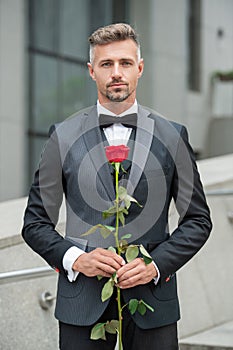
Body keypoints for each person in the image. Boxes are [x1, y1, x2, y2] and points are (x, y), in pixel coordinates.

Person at [22, 23, 212, 350]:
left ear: (139, 69)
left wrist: (156, 264)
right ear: (91, 71)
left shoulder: (173, 136)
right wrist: (74, 259)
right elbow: (35, 223)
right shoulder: (61, 136)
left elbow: (198, 220)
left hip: (154, 307)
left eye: (125, 63)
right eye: (106, 64)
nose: (116, 73)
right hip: (80, 308)